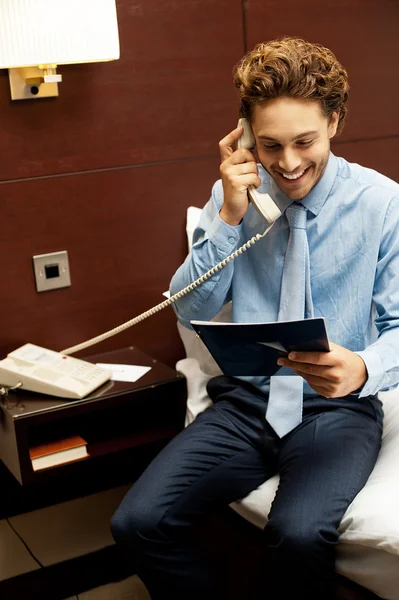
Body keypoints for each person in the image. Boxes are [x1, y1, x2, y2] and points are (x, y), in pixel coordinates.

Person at [111, 37, 399, 599]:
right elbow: (190, 309)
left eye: (304, 142)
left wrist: (362, 368)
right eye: (269, 145)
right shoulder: (236, 200)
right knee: (136, 523)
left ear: (335, 122)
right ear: (243, 137)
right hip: (246, 404)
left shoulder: (383, 204)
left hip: (336, 412)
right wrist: (228, 216)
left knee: (296, 533)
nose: (288, 164)